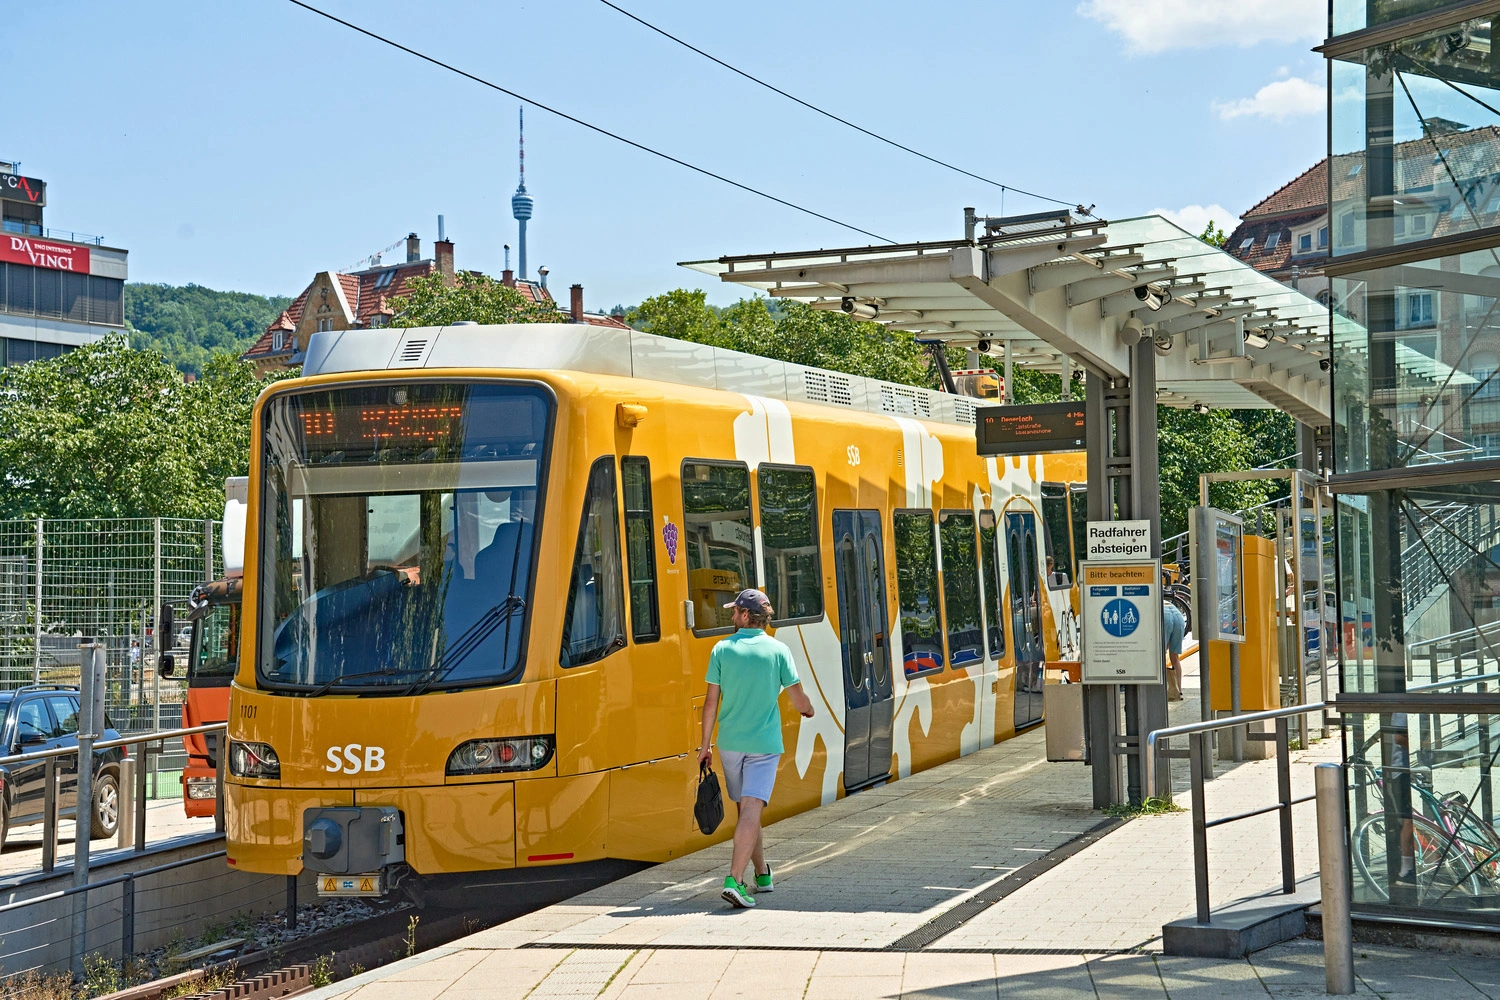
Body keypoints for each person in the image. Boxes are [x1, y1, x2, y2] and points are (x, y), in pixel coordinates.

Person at [697, 589, 814, 908]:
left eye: (735, 612)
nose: (732, 616)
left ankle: (762, 874)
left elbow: (710, 703)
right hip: (763, 744)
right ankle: (734, 880)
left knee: (746, 810)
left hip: (730, 744)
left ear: (747, 615)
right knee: (751, 809)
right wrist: (807, 709)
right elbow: (797, 697)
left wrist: (704, 746)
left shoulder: (721, 649)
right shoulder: (779, 650)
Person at [1163, 598, 1186, 701]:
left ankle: (1163, 690)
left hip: (1163, 613)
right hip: (1177, 614)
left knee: (1160, 655)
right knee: (1175, 657)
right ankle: (1178, 691)